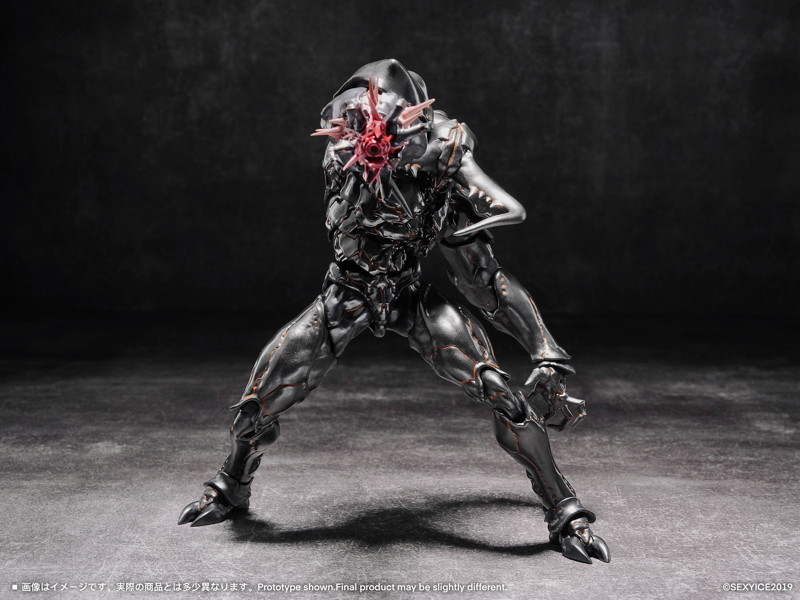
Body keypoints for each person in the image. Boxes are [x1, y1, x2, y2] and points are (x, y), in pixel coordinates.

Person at [179, 59, 609, 564]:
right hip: (345, 296)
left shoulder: (440, 173)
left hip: (409, 297)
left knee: (503, 395)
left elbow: (482, 278)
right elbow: (348, 217)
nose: (379, 147)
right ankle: (233, 483)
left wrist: (544, 349)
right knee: (254, 409)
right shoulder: (344, 159)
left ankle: (564, 510)